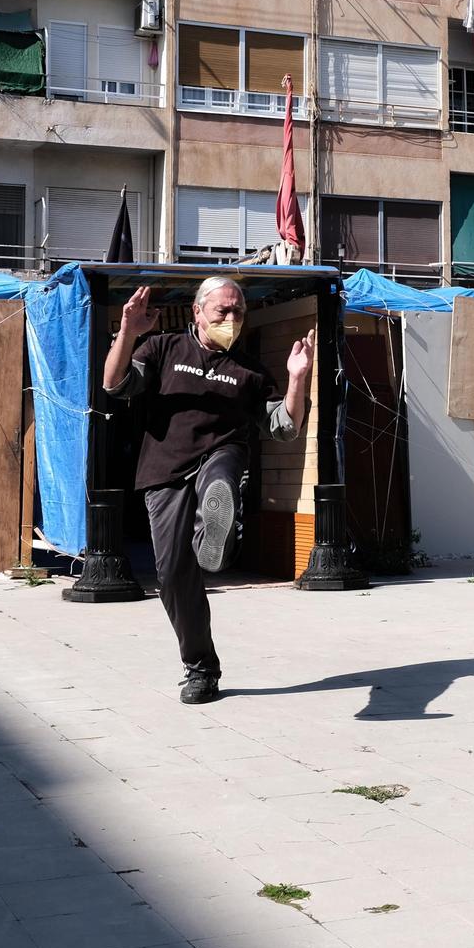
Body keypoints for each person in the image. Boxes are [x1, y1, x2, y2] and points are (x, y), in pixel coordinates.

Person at [102, 276, 314, 705]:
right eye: (223, 310)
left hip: (222, 454)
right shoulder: (162, 349)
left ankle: (216, 523)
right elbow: (114, 384)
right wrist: (128, 331)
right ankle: (201, 668)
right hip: (163, 471)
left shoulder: (251, 371)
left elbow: (285, 427)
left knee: (221, 474)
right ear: (198, 312)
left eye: (238, 311)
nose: (232, 319)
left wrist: (298, 379)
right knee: (172, 576)